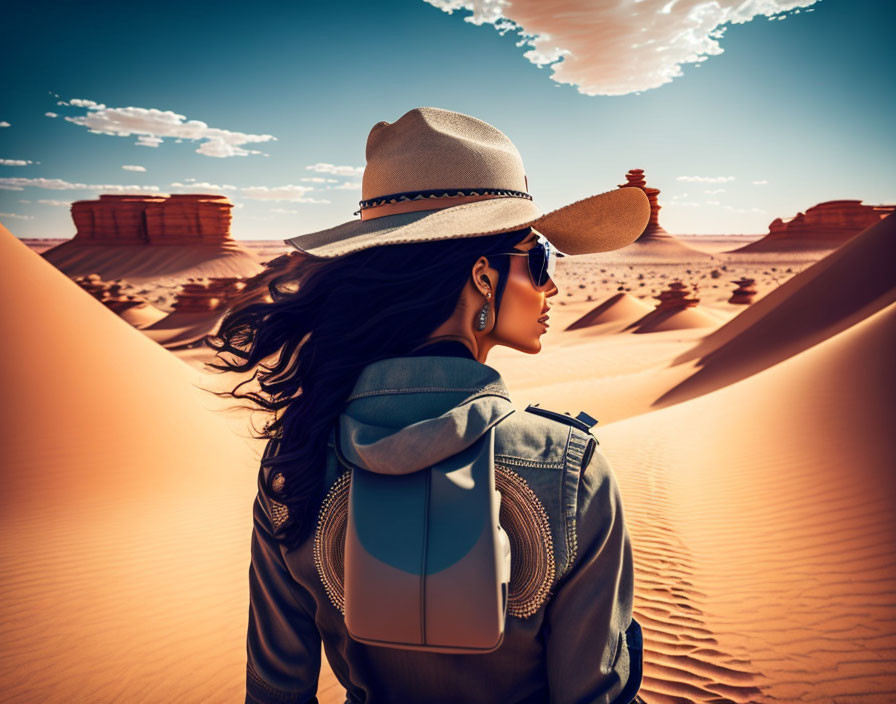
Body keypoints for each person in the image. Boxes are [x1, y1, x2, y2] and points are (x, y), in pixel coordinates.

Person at [207, 107, 650, 704]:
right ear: (483, 280)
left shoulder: (298, 457)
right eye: (538, 260)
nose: (550, 286)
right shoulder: (570, 466)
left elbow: (274, 691)